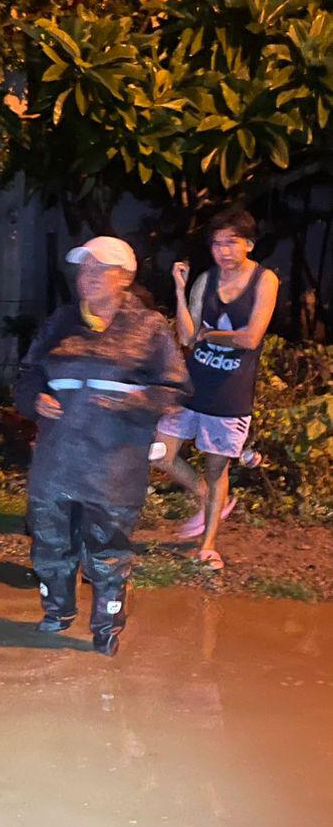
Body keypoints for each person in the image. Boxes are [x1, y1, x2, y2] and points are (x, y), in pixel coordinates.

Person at [15, 236, 189, 656]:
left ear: (125, 278)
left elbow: (174, 385)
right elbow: (27, 374)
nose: (87, 278)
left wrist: (137, 402)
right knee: (50, 541)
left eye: (99, 270)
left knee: (108, 549)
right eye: (83, 270)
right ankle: (57, 611)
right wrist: (34, 397)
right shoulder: (60, 322)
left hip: (114, 460)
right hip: (57, 457)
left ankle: (106, 626)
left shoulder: (149, 328)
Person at [154, 207, 278, 570]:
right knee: (160, 452)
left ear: (249, 245)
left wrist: (211, 334)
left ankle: (208, 546)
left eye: (231, 243)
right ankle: (211, 500)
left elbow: (251, 337)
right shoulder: (205, 280)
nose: (222, 250)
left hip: (230, 393)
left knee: (215, 467)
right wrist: (180, 291)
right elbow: (187, 336)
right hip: (193, 386)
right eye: (216, 243)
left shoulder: (264, 281)